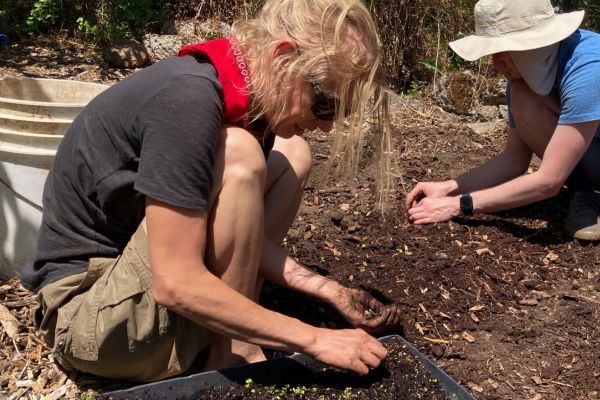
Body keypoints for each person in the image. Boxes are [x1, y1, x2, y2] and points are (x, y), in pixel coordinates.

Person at [20, 0, 401, 382]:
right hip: (92, 321)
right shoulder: (189, 101)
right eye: (325, 105)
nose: (326, 127)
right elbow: (175, 283)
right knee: (239, 153)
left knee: (292, 153)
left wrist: (328, 290)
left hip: (130, 289)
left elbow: (239, 234)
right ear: (283, 58)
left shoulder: (238, 90)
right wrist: (315, 339)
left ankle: (233, 325)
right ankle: (230, 352)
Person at [406, 0, 600, 240]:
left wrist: (460, 205)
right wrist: (449, 187)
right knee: (523, 97)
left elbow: (549, 180)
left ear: (534, 46)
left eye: (503, 50)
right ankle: (584, 191)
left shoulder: (589, 68)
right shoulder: (526, 77)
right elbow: (513, 160)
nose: (495, 63)